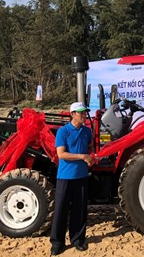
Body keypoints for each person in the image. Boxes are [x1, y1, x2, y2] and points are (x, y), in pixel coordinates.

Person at [50, 102, 95, 255]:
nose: (84, 115)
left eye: (85, 112)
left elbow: (90, 149)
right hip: (65, 176)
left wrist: (92, 157)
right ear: (72, 114)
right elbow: (61, 154)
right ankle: (57, 243)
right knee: (61, 210)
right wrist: (82, 156)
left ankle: (78, 240)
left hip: (81, 176)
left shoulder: (86, 131)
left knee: (80, 210)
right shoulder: (63, 132)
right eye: (81, 113)